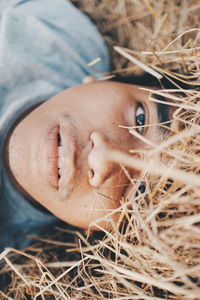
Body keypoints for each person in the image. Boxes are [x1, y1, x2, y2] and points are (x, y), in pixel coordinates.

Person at [0, 0, 174, 251]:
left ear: (98, 229)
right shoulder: (61, 36)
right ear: (106, 81)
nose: (101, 158)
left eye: (139, 192)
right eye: (140, 119)